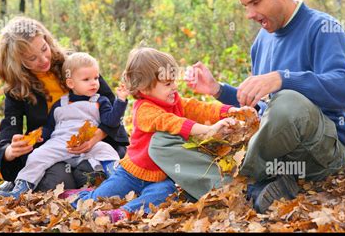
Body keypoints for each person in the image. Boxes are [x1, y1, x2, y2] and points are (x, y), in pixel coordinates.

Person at [148, 0, 345, 213]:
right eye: (245, 6)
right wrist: (217, 90)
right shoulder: (262, 40)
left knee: (287, 98)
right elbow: (260, 106)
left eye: (255, 3)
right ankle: (250, 188)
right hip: (272, 150)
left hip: (319, 151)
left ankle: (241, 182)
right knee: (161, 141)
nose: (250, 14)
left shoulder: (323, 27)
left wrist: (283, 78)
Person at [72, 47, 238, 223]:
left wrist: (230, 111)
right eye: (167, 84)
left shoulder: (175, 101)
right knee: (100, 196)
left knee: (165, 194)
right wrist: (209, 130)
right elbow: (172, 123)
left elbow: (199, 108)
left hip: (163, 175)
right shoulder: (144, 110)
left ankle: (124, 212)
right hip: (131, 173)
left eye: (173, 81)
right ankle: (79, 197)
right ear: (144, 88)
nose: (174, 87)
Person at [0, 17, 129, 194]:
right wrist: (10, 151)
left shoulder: (76, 65)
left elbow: (112, 108)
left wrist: (95, 137)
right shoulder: (17, 90)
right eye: (32, 58)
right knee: (55, 181)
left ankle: (85, 183)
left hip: (94, 144)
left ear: (48, 41)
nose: (43, 60)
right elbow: (8, 131)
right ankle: (23, 183)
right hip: (54, 150)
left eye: (44, 49)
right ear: (17, 61)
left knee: (91, 172)